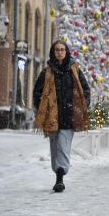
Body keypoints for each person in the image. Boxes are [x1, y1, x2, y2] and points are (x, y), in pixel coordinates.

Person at [33, 40, 90, 193]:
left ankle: (60, 178)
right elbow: (37, 93)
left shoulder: (74, 70)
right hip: (51, 116)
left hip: (69, 116)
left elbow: (85, 90)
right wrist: (41, 109)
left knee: (63, 147)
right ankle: (58, 172)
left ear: (66, 52)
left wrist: (82, 107)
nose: (59, 52)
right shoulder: (47, 72)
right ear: (53, 52)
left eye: (62, 49)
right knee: (54, 147)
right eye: (57, 50)